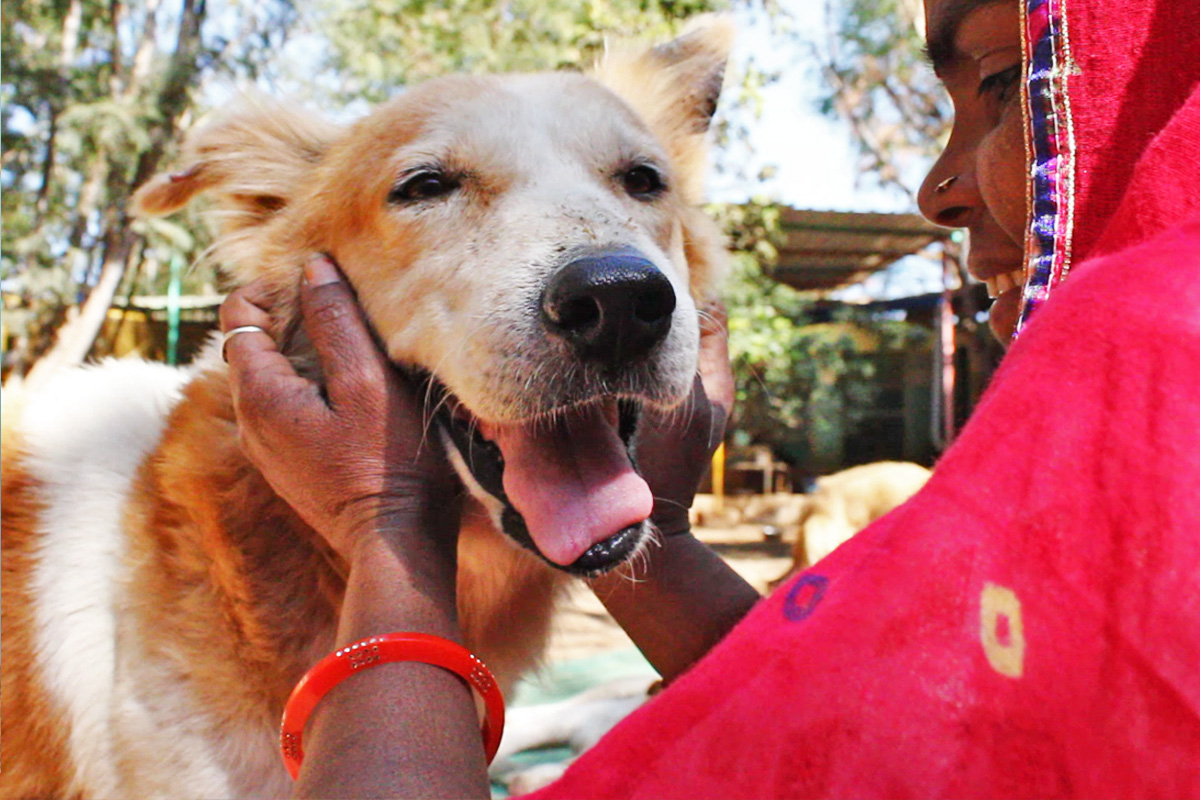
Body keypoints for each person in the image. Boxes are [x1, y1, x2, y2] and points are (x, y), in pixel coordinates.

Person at [220, 0, 1200, 795]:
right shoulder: (1082, 481)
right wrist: (663, 542)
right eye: (432, 182)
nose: (932, 188)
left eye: (1005, 82)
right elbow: (886, 731)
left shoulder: (1159, 370)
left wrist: (387, 525)